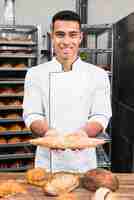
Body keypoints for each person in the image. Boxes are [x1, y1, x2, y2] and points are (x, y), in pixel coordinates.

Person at [23, 10, 112, 173]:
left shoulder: (98, 75)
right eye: (60, 34)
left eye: (72, 35)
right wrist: (48, 133)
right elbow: (32, 114)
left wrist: (84, 134)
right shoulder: (34, 74)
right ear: (52, 37)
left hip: (85, 163)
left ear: (80, 37)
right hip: (47, 164)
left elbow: (101, 115)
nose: (66, 41)